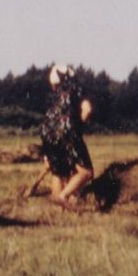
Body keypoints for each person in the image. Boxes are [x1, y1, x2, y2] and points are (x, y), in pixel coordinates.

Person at [38, 64, 95, 210]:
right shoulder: (76, 88)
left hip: (47, 133)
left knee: (58, 172)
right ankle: (64, 196)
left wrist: (46, 154)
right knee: (86, 172)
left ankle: (58, 211)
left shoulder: (52, 94)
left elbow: (47, 118)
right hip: (67, 131)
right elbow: (87, 110)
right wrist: (78, 125)